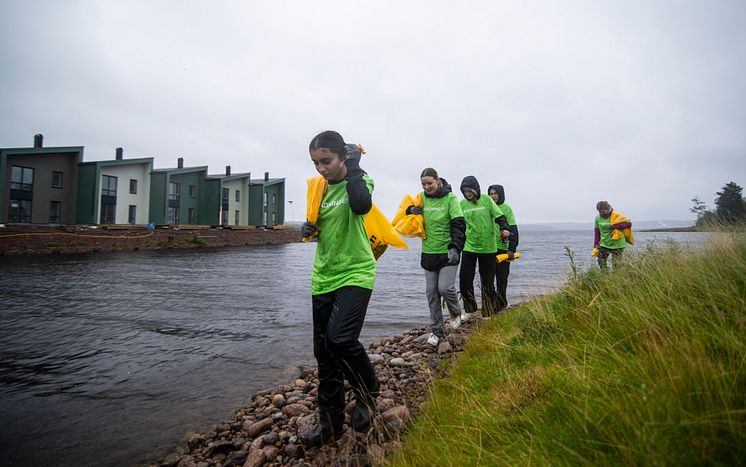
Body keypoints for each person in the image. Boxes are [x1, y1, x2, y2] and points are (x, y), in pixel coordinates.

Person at [300, 131, 379, 447]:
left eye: (326, 161)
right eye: (316, 162)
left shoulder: (360, 180)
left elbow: (361, 206)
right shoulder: (319, 189)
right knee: (324, 353)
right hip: (323, 276)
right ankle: (330, 423)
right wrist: (309, 229)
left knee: (341, 339)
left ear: (342, 157)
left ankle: (368, 390)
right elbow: (320, 227)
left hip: (356, 272)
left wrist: (355, 167)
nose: (321, 168)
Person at [406, 168, 466, 347]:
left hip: (448, 252)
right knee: (431, 294)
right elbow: (404, 213)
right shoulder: (421, 198)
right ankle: (437, 331)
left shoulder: (450, 199)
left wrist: (456, 247)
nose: (426, 187)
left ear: (438, 181)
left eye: (429, 183)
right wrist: (411, 210)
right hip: (429, 253)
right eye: (423, 184)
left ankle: (455, 312)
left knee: (445, 288)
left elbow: (459, 224)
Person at [459, 176, 510, 318]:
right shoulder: (462, 203)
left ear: (475, 189)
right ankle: (469, 309)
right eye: (464, 191)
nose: (467, 194)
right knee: (464, 279)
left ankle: (487, 311)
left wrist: (504, 227)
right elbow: (457, 221)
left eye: (469, 191)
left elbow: (500, 216)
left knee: (487, 282)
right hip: (469, 247)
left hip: (488, 248)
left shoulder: (486, 200)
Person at [488, 184, 519, 311]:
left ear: (500, 194)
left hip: (503, 249)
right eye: (491, 193)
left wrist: (512, 249)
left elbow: (513, 229)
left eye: (495, 193)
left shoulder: (506, 209)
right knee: (488, 279)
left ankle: (501, 303)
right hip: (488, 248)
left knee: (502, 279)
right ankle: (495, 300)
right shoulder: (487, 207)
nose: (493, 196)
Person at [594, 200, 630, 269]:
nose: (601, 213)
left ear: (608, 209)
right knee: (601, 260)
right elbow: (597, 231)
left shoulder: (617, 215)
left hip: (617, 242)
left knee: (616, 264)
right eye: (599, 211)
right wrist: (596, 243)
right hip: (604, 242)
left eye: (603, 211)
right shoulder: (597, 218)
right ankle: (605, 275)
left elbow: (628, 224)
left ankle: (617, 277)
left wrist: (615, 226)